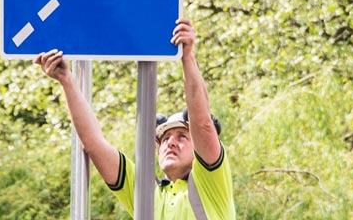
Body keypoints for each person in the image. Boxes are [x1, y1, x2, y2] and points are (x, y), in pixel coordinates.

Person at [34, 18, 236, 219]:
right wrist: (67, 80)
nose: (171, 143)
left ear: (199, 147)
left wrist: (187, 57)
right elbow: (94, 145)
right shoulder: (144, 192)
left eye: (182, 136)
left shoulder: (211, 182)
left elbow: (202, 124)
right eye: (165, 139)